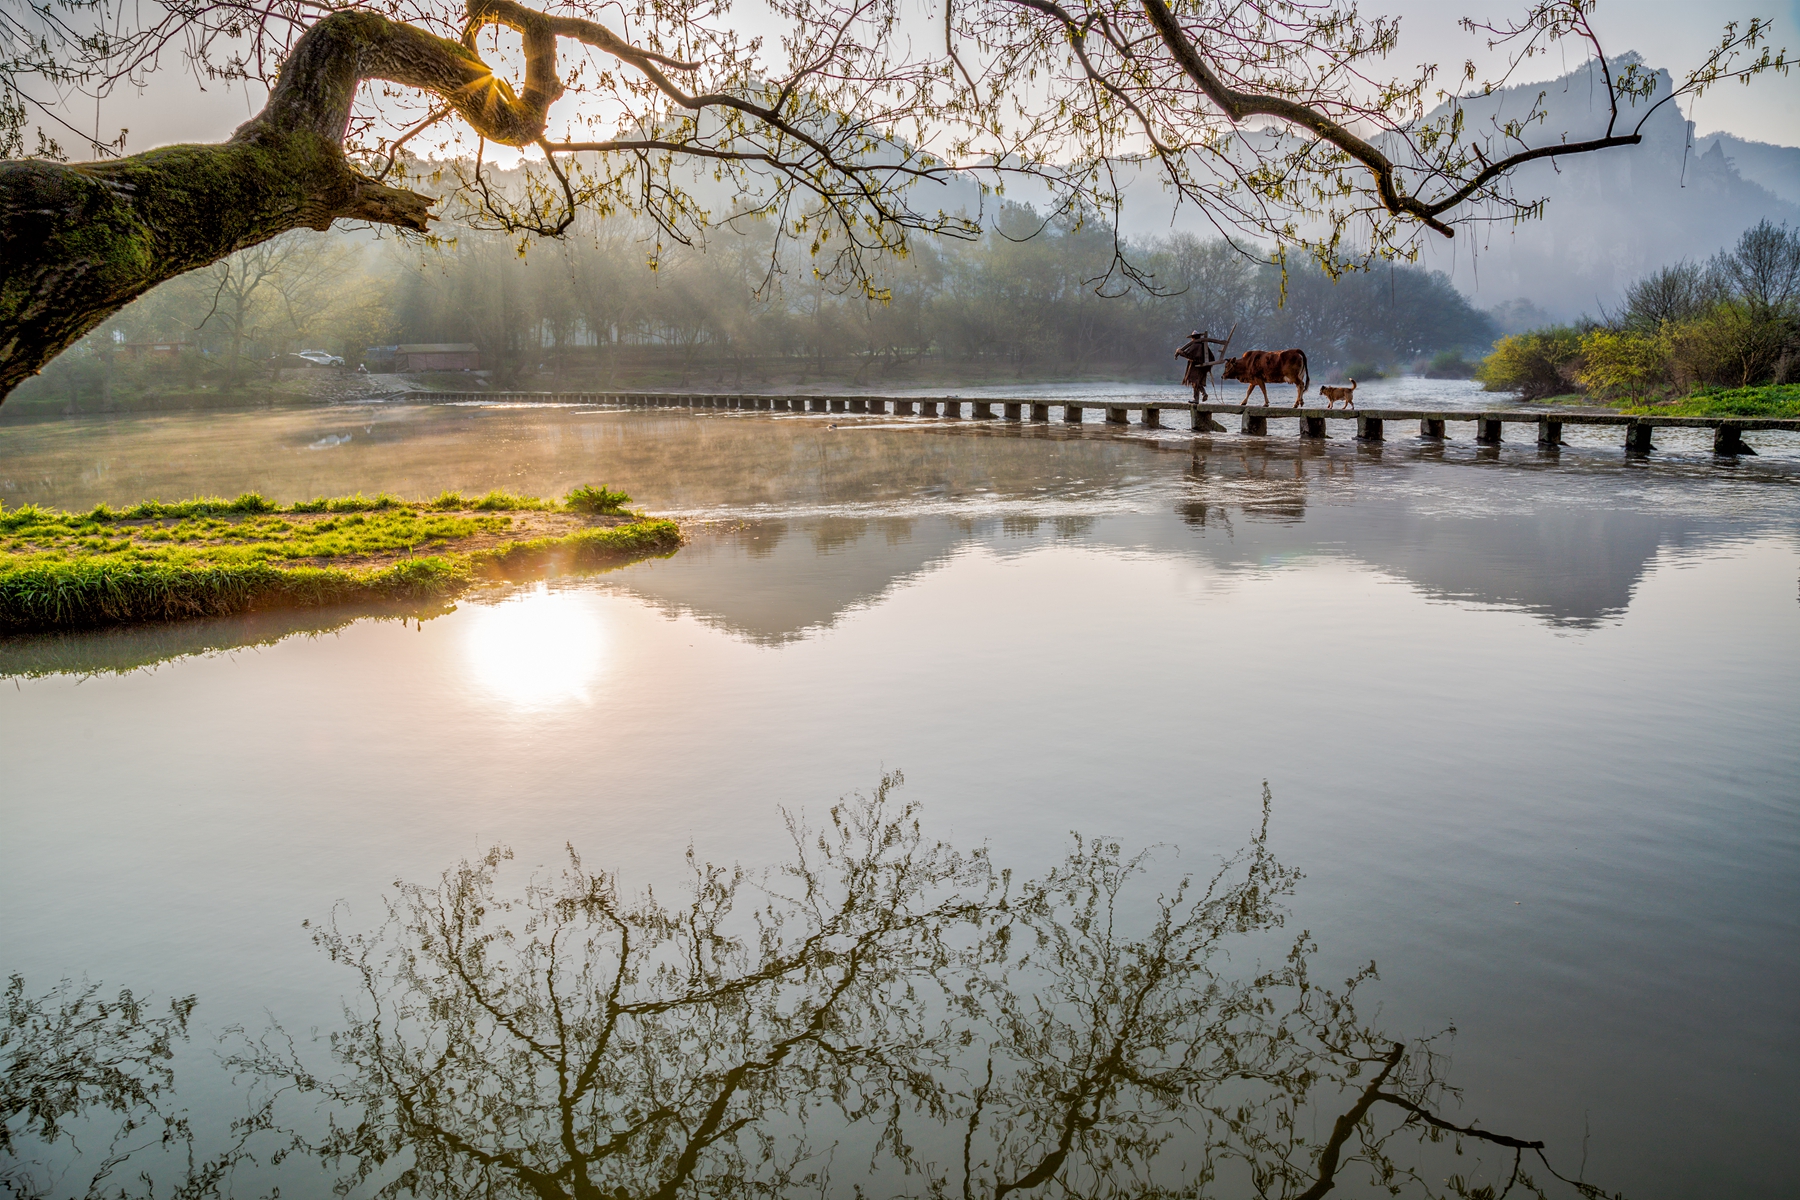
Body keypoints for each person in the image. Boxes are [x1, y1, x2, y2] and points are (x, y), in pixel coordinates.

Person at [1175, 330, 1232, 401]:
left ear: (1193, 338)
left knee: (1195, 382)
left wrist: (1179, 351)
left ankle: (1202, 395)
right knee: (1196, 382)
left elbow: (1188, 355)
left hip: (1196, 367)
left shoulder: (1195, 345)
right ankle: (1198, 398)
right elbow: (1211, 357)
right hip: (1203, 367)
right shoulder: (1203, 345)